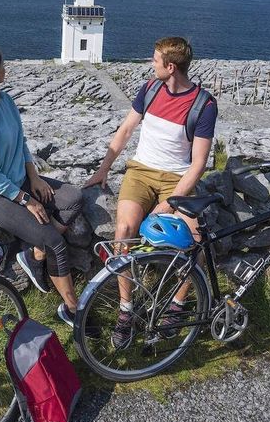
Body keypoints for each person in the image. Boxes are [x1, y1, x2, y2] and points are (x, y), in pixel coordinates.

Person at [84, 36, 217, 349]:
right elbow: (126, 129)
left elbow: (198, 164)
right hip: (141, 172)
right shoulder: (150, 89)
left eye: (155, 60)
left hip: (177, 180)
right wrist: (104, 169)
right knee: (124, 230)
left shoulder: (204, 105)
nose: (150, 63)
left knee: (194, 240)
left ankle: (177, 307)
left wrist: (170, 203)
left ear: (170, 67)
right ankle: (126, 311)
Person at [0, 41, 83, 327]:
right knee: (55, 241)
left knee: (73, 198)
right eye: (0, 63)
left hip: (21, 179)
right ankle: (73, 310)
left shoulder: (6, 101)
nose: (5, 67)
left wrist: (35, 178)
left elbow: (22, 143)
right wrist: (26, 199)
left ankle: (33, 254)